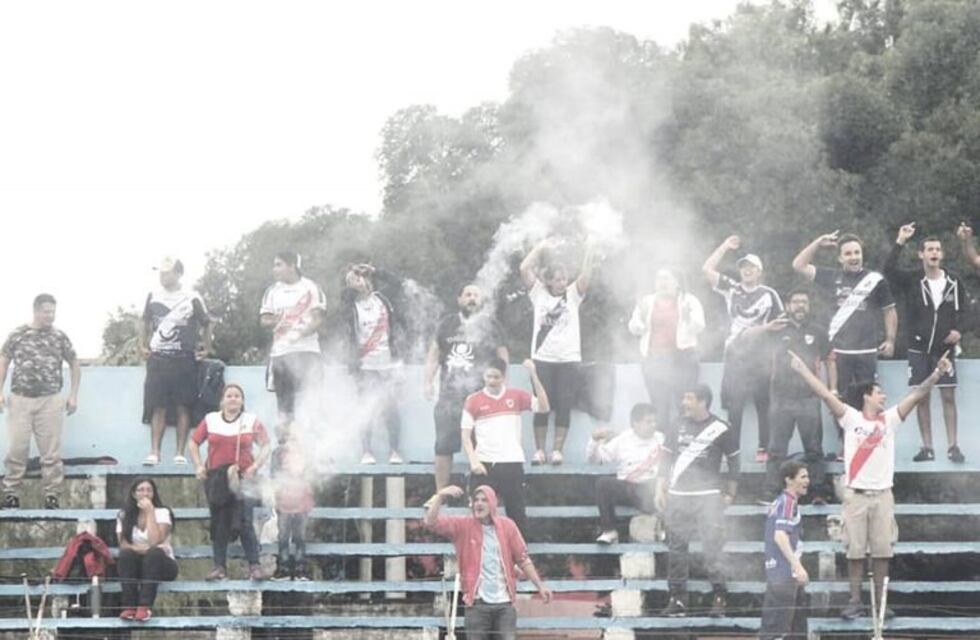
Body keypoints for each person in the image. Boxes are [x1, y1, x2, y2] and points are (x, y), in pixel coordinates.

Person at [786, 348, 951, 620]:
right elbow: (826, 394)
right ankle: (854, 601)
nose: (883, 396)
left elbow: (918, 394)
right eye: (879, 393)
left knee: (883, 551)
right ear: (867, 396)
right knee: (854, 551)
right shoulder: (851, 418)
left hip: (883, 495)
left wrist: (937, 373)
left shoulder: (890, 420)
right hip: (856, 495)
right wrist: (803, 370)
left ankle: (880, 602)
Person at [792, 231, 897, 456]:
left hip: (867, 350)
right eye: (848, 253)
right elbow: (799, 265)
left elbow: (890, 310)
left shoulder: (875, 280)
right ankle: (846, 446)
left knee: (870, 399)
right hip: (838, 352)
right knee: (839, 401)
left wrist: (890, 339)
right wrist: (818, 242)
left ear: (862, 254)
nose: (853, 257)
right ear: (840, 258)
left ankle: (870, 444)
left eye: (857, 252)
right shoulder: (831, 277)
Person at [423, 484, 553, 640]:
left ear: (492, 503)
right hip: (477, 604)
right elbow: (431, 522)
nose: (479, 503)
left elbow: (523, 559)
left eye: (484, 500)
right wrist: (440, 496)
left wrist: (540, 586)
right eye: (476, 500)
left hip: (505, 605)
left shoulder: (508, 526)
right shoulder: (463, 525)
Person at [886, 223, 967, 463]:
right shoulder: (913, 279)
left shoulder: (954, 281)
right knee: (921, 396)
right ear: (921, 254)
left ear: (941, 254)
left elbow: (968, 311)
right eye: (929, 249)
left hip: (944, 350)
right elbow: (888, 270)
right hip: (918, 347)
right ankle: (927, 447)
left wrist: (959, 330)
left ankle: (953, 446)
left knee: (948, 396)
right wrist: (900, 241)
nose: (934, 253)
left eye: (937, 249)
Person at [660, 384, 740, 618]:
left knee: (712, 547)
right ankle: (677, 600)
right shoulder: (675, 425)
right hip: (678, 496)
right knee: (676, 549)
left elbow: (735, 462)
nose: (684, 402)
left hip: (708, 497)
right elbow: (665, 458)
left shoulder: (721, 427)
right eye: (685, 397)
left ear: (703, 401)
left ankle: (719, 597)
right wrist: (660, 486)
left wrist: (731, 493)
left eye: (689, 397)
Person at [703, 236, 784, 462]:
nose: (747, 271)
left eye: (752, 267)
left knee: (763, 404)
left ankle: (763, 448)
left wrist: (775, 354)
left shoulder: (769, 294)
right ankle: (733, 452)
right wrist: (724, 247)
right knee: (734, 406)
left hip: (760, 356)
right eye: (744, 267)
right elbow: (707, 269)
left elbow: (780, 326)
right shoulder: (732, 289)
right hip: (735, 354)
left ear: (760, 271)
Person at [0, 294, 81, 510]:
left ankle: (52, 494)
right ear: (36, 310)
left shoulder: (59, 336)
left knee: (51, 452)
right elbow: (4, 361)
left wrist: (73, 395)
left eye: (53, 312)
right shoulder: (18, 334)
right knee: (17, 448)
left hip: (50, 400)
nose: (50, 316)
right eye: (46, 311)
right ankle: (11, 493)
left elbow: (74, 362)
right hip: (20, 399)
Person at [519, 238, 596, 465]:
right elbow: (524, 268)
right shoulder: (538, 294)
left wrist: (590, 249)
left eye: (564, 278)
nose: (562, 282)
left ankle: (557, 451)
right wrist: (540, 248)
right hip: (542, 358)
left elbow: (587, 275)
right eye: (558, 279)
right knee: (541, 406)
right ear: (549, 281)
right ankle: (540, 451)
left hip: (569, 359)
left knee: (564, 403)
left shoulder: (573, 294)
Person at [424, 284, 508, 490]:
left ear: (482, 300)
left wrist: (503, 387)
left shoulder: (491, 325)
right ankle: (440, 494)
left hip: (481, 397)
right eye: (468, 294)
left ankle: (482, 494)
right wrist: (427, 382)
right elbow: (434, 354)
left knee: (483, 447)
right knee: (443, 445)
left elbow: (502, 357)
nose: (472, 298)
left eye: (476, 295)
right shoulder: (447, 324)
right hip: (449, 396)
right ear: (459, 299)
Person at [188, 383, 271, 581]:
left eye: (237, 396)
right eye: (229, 395)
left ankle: (254, 566)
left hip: (244, 478)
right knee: (219, 523)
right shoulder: (211, 419)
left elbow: (266, 445)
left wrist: (255, 466)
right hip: (217, 478)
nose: (233, 399)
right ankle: (219, 567)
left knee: (244, 521)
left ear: (242, 401)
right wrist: (199, 465)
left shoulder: (251, 421)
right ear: (222, 400)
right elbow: (194, 442)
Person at [461, 358, 549, 537]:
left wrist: (533, 374)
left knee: (517, 515)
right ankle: (479, 557)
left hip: (512, 462)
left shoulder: (516, 395)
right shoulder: (473, 400)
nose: (492, 380)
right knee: (479, 515)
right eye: (488, 376)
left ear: (504, 377)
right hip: (485, 464)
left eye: (496, 377)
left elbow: (544, 406)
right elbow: (465, 435)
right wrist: (473, 461)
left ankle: (519, 560)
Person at [139, 257, 212, 466]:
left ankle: (180, 453)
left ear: (179, 273)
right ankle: (154, 452)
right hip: (158, 358)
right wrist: (141, 344)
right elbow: (144, 321)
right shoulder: (153, 296)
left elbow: (206, 323)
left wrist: (206, 348)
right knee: (157, 406)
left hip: (184, 359)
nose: (163, 277)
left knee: (183, 406)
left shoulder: (191, 296)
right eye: (161, 273)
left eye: (168, 273)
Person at [762, 289, 830, 502]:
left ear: (809, 306)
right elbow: (755, 351)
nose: (800, 306)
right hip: (781, 398)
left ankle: (817, 491)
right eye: (796, 302)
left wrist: (832, 389)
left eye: (804, 302)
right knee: (776, 450)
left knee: (814, 449)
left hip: (809, 397)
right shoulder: (776, 329)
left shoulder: (818, 331)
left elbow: (831, 358)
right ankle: (772, 491)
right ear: (788, 305)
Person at [343, 262, 407, 464]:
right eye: (354, 279)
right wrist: (351, 282)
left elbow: (398, 284)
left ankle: (395, 451)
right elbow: (341, 299)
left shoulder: (382, 299)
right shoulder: (350, 306)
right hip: (365, 365)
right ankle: (366, 451)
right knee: (366, 408)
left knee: (391, 407)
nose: (359, 280)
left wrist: (375, 270)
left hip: (388, 362)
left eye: (362, 277)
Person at [628, 269, 705, 432]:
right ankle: (663, 446)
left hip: (683, 358)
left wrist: (686, 317)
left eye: (667, 279)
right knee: (659, 405)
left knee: (684, 403)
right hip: (654, 360)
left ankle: (685, 442)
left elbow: (699, 326)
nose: (663, 283)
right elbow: (634, 328)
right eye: (659, 279)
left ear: (677, 283)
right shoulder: (647, 302)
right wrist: (641, 319)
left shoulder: (689, 300)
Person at [259, 251, 326, 422]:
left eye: (278, 264)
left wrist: (298, 333)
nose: (274, 269)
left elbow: (318, 319)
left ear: (292, 266)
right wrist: (277, 320)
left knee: (312, 400)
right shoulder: (272, 291)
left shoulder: (311, 287)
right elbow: (264, 320)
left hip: (307, 351)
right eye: (275, 265)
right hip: (281, 353)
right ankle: (287, 444)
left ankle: (313, 443)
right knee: (284, 404)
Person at [586, 402, 665, 544]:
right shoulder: (622, 440)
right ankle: (609, 531)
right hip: (629, 489)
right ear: (635, 423)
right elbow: (595, 459)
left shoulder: (661, 439)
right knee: (603, 483)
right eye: (648, 422)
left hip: (652, 491)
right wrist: (594, 440)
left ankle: (665, 530)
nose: (653, 425)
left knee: (666, 485)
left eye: (655, 421)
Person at [759, 460, 810, 640]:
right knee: (779, 630)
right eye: (803, 477)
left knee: (795, 628)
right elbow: (780, 536)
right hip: (785, 574)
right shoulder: (788, 502)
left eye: (808, 476)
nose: (807, 481)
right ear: (789, 480)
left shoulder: (778, 502)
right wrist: (797, 566)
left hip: (778, 573)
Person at [116, 478, 178, 622]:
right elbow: (123, 544)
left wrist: (150, 512)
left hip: (162, 565)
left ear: (154, 494)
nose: (145, 493)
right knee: (126, 555)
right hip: (137, 565)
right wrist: (141, 549)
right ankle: (129, 607)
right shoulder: (123, 515)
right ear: (133, 494)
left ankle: (144, 607)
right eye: (141, 490)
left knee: (154, 554)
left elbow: (155, 541)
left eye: (149, 490)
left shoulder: (162, 512)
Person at [270, 425, 314, 581]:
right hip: (284, 501)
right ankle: (283, 568)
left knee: (300, 536)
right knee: (283, 536)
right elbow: (274, 475)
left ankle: (301, 568)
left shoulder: (305, 454)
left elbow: (311, 475)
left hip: (302, 501)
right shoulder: (277, 454)